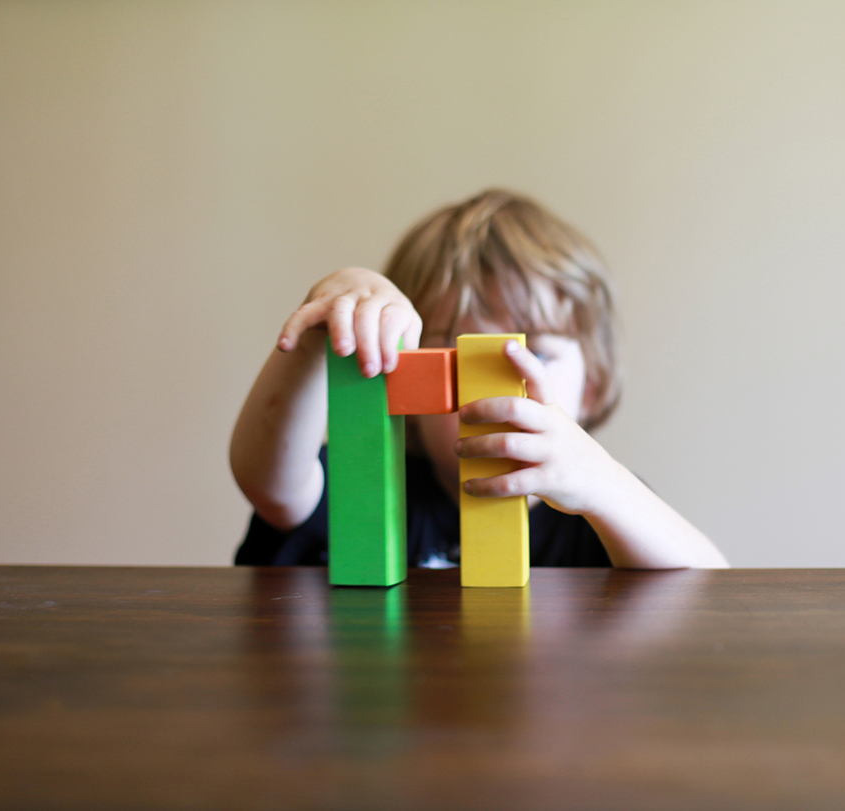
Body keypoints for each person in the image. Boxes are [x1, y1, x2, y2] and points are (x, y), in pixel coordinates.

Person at [230, 189, 728, 569]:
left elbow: (708, 591)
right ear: (401, 379)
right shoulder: (366, 487)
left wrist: (607, 488)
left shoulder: (602, 508)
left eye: (533, 350)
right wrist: (327, 330)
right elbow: (269, 482)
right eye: (458, 351)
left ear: (591, 387)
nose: (496, 382)